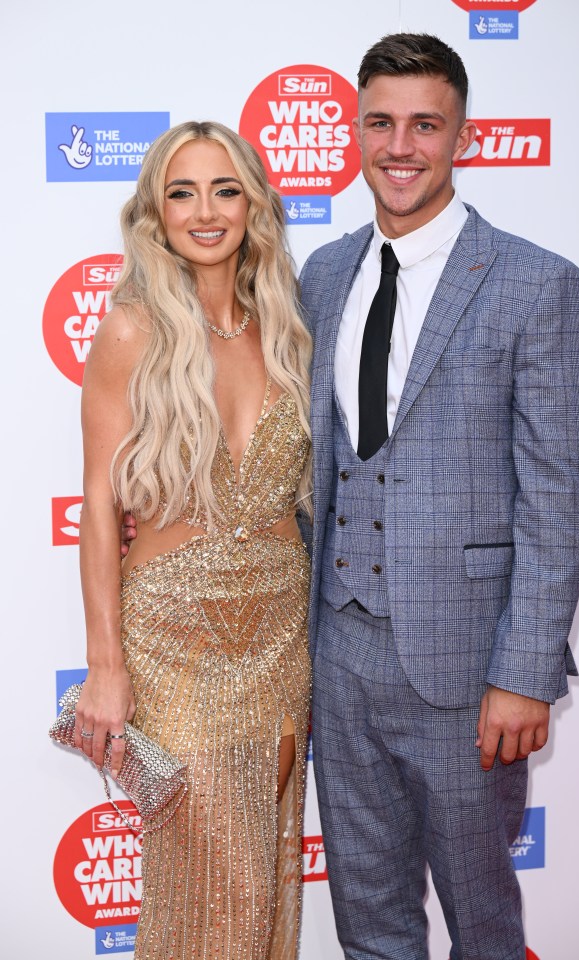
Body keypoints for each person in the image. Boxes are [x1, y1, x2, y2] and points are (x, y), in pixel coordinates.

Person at [297, 33, 579, 960]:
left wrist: (523, 673)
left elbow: (558, 498)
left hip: (468, 672)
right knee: (369, 919)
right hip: (337, 659)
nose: (400, 146)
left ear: (461, 133)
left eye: (424, 124)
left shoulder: (536, 283)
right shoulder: (321, 275)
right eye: (380, 122)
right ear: (354, 130)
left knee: (481, 922)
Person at [74, 120, 312, 960]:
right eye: (182, 192)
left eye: (224, 189)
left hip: (282, 639)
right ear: (156, 213)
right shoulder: (133, 329)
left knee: (264, 885)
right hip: (176, 643)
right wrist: (107, 668)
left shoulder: (287, 326)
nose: (205, 211)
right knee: (211, 882)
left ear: (253, 203)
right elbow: (98, 508)